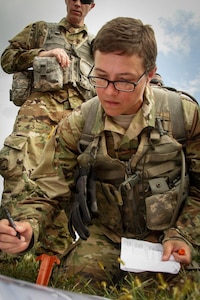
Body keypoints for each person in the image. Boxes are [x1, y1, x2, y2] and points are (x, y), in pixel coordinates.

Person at [0, 17, 200, 288]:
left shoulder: (183, 115)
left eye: (125, 81)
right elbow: (46, 189)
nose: (109, 92)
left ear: (150, 75)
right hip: (106, 235)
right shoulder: (79, 122)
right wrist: (28, 227)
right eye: (101, 77)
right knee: (73, 287)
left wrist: (184, 234)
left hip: (167, 239)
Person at [0, 0, 96, 207]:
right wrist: (40, 54)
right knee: (20, 173)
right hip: (36, 118)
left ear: (92, 6)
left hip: (76, 123)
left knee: (65, 183)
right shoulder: (41, 30)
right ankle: (13, 233)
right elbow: (7, 59)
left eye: (85, 0)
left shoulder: (98, 45)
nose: (78, 3)